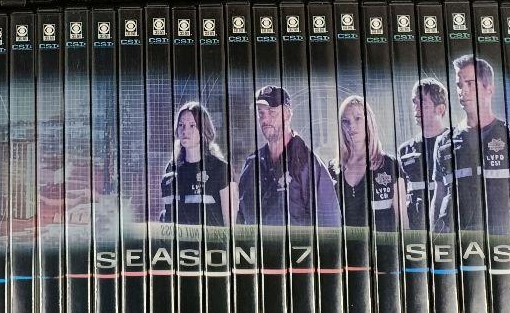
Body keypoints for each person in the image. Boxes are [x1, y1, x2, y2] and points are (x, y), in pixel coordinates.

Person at [431, 55, 510, 237]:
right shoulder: (443, 143)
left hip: (503, 244)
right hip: (458, 245)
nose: (463, 91)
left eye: (470, 84)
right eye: (459, 85)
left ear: (489, 88)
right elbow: (438, 199)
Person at [237, 86, 341, 227]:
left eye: (272, 112)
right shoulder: (251, 164)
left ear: (287, 114)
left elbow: (331, 224)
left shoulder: (308, 164)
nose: (265, 119)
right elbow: (240, 219)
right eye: (261, 113)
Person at [331, 96, 406, 233]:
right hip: (346, 245)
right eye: (345, 121)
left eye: (358, 118)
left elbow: (402, 219)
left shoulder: (390, 165)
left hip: (383, 245)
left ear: (369, 122)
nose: (351, 125)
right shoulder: (332, 169)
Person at [159, 102, 238, 226]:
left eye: (192, 125)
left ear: (203, 130)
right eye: (181, 125)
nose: (185, 130)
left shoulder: (220, 169)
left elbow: (230, 223)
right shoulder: (171, 169)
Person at [398, 78, 450, 231]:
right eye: (414, 102)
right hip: (416, 232)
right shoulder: (405, 151)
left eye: (423, 103)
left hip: (446, 230)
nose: (416, 108)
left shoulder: (455, 144)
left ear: (440, 109)